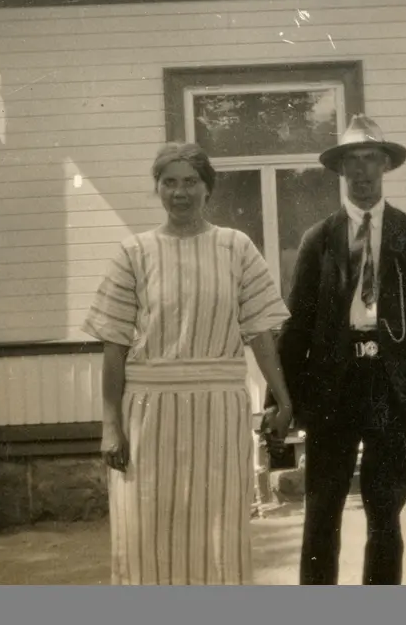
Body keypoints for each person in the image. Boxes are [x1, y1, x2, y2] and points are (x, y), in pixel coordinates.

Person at [82, 142, 295, 586]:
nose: (180, 193)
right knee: (146, 528)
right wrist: (110, 426)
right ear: (158, 188)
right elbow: (114, 346)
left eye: (190, 182)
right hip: (148, 412)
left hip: (219, 409)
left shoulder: (235, 247)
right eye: (169, 182)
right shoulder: (134, 253)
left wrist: (284, 400)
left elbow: (260, 333)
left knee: (218, 528)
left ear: (207, 188)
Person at [264, 114, 406, 585]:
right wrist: (279, 402)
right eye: (353, 161)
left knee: (385, 515)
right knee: (321, 512)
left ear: (385, 165)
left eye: (370, 159)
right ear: (341, 170)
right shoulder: (319, 239)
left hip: (392, 388)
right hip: (332, 389)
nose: (362, 171)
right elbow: (296, 326)